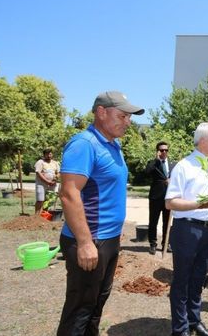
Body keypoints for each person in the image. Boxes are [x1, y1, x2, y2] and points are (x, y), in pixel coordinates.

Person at [56, 91, 144, 335]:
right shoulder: (84, 144)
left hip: (107, 239)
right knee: (80, 307)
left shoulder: (113, 145)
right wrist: (85, 243)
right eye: (123, 115)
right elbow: (69, 194)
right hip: (89, 239)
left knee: (97, 303)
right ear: (101, 112)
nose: (128, 122)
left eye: (129, 117)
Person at [166, 122, 208, 336]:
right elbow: (170, 202)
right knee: (183, 279)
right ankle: (180, 329)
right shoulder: (184, 166)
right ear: (204, 141)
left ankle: (194, 321)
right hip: (187, 230)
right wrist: (201, 204)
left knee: (199, 278)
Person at [145, 141, 174, 255]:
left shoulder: (173, 164)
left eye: (166, 150)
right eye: (162, 150)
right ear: (158, 151)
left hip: (168, 198)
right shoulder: (153, 163)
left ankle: (165, 243)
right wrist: (156, 160)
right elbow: (147, 172)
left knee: (167, 222)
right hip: (155, 197)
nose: (164, 152)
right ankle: (152, 244)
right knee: (153, 221)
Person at [34, 148, 60, 214]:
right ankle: (36, 216)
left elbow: (59, 172)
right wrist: (47, 181)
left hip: (52, 184)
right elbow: (38, 173)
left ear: (52, 154)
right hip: (41, 184)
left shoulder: (55, 163)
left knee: (48, 200)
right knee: (40, 200)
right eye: (47, 154)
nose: (49, 155)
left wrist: (55, 179)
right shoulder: (40, 162)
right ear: (44, 155)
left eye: (50, 154)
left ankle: (44, 214)